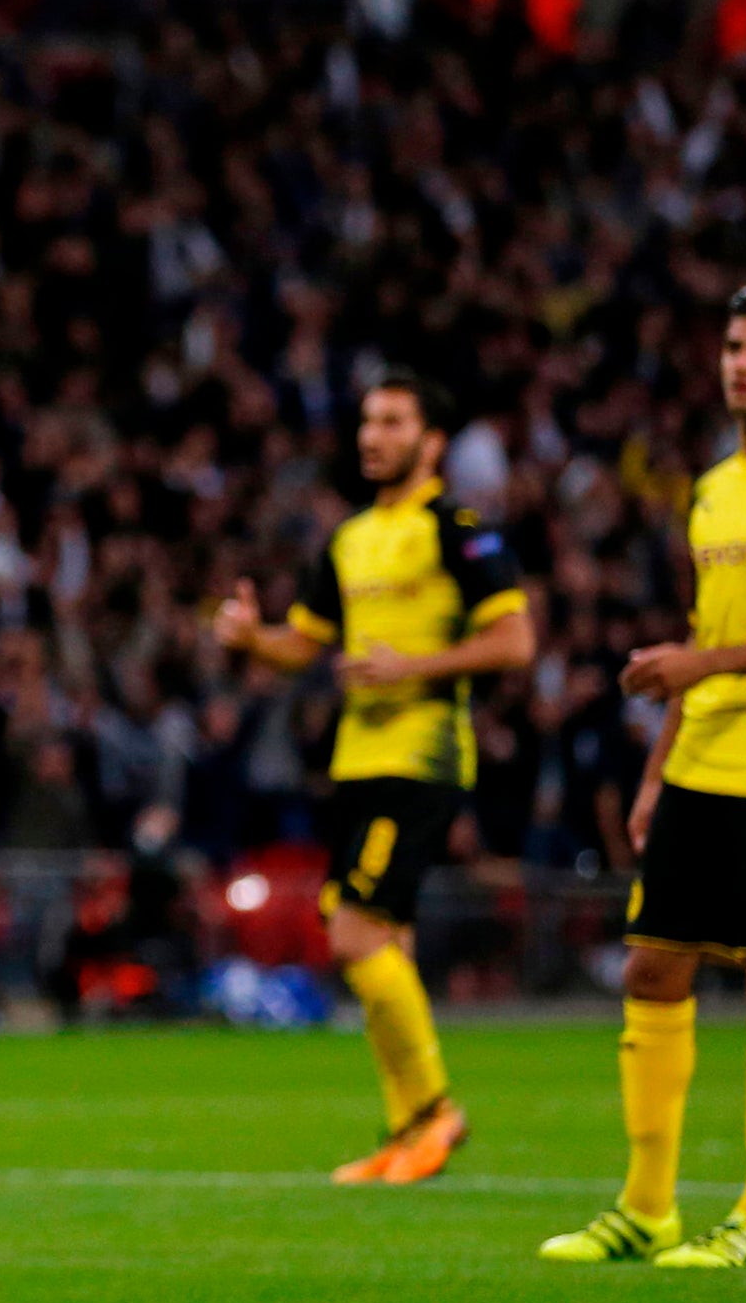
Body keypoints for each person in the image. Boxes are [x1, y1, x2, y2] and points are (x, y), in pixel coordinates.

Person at [213, 369, 535, 1183]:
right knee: (379, 937)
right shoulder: (350, 539)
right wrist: (253, 637)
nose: (371, 436)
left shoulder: (457, 530)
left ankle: (434, 1110)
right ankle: (405, 1131)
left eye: (392, 421)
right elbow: (305, 645)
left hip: (421, 758)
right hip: (357, 762)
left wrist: (413, 667)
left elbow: (514, 642)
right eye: (366, 421)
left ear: (430, 442)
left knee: (352, 928)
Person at [543, 285, 746, 1270]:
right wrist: (653, 774)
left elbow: (712, 654)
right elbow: (706, 637)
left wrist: (697, 669)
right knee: (652, 962)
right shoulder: (713, 487)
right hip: (700, 757)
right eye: (732, 346)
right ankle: (648, 1206)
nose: (741, 364)